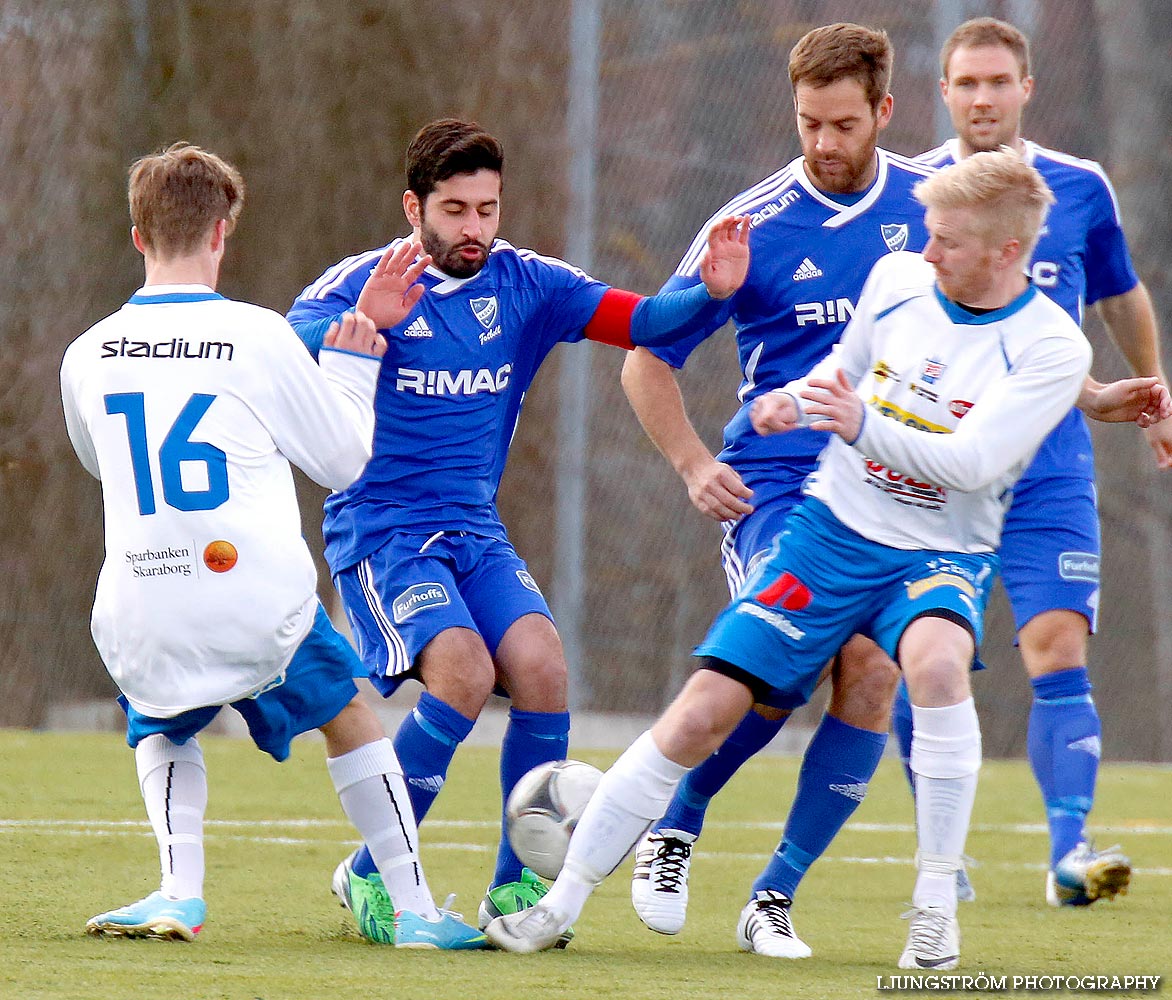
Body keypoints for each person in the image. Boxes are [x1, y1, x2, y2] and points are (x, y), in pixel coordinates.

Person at [621, 22, 1168, 951]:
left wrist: (1096, 394)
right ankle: (677, 821)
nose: (824, 143)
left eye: (841, 123)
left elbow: (999, 328)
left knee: (873, 674)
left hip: (895, 480)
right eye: (807, 124)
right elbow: (647, 356)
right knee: (776, 674)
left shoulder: (933, 206)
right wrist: (692, 463)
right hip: (778, 483)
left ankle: (773, 898)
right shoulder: (751, 222)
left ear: (884, 111)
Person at [486, 149, 1095, 969]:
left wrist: (854, 424)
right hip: (832, 530)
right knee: (703, 707)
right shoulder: (899, 279)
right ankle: (560, 904)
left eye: (947, 240)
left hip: (940, 548)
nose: (928, 251)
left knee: (937, 668)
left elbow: (974, 464)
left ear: (1008, 252)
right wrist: (792, 400)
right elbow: (839, 374)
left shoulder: (1053, 346)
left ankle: (932, 910)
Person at [284, 118, 749, 945]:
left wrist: (710, 293)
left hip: (472, 526)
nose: (474, 229)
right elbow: (289, 343)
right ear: (413, 208)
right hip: (381, 531)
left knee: (541, 665)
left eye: (488, 210)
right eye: (455, 209)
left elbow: (645, 323)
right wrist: (358, 320)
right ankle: (372, 877)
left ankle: (517, 886)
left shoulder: (529, 284)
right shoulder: (364, 280)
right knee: (461, 671)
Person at [60, 142, 486, 950]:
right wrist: (355, 367)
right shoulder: (255, 336)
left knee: (160, 721)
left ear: (139, 236)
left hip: (140, 603)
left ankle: (177, 893)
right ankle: (416, 909)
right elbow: (340, 462)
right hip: (254, 601)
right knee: (351, 714)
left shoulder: (87, 352)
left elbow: (96, 461)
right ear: (223, 233)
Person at [897, 16, 1168, 907]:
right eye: (966, 83)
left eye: (998, 82)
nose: (982, 98)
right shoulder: (913, 194)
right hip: (939, 470)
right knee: (922, 658)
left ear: (1026, 90)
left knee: (1057, 647)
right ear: (945, 93)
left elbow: (1121, 296)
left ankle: (1068, 855)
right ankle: (944, 854)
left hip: (1051, 462)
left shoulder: (1080, 190)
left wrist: (1153, 388)